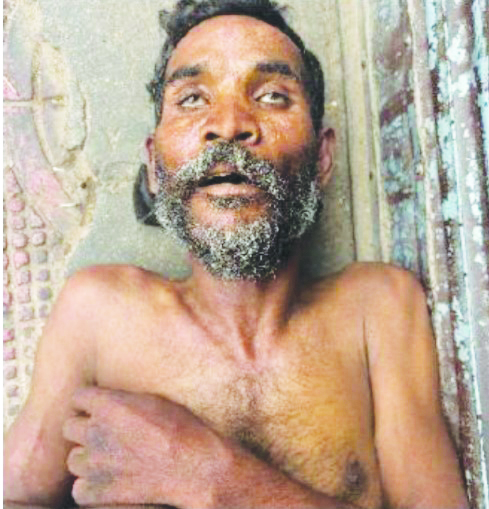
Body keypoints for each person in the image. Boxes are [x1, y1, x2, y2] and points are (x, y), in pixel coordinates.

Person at [4, 1, 469, 508]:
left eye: (271, 96)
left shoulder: (377, 311)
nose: (228, 124)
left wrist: (212, 477)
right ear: (155, 167)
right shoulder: (97, 312)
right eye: (192, 99)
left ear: (322, 158)